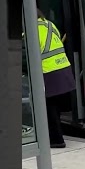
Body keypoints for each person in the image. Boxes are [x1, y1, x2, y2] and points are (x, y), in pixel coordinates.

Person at [35, 9, 75, 149]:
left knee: (48, 107)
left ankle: (56, 139)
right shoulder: (50, 25)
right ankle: (56, 136)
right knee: (54, 107)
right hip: (63, 69)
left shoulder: (31, 31)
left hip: (49, 72)